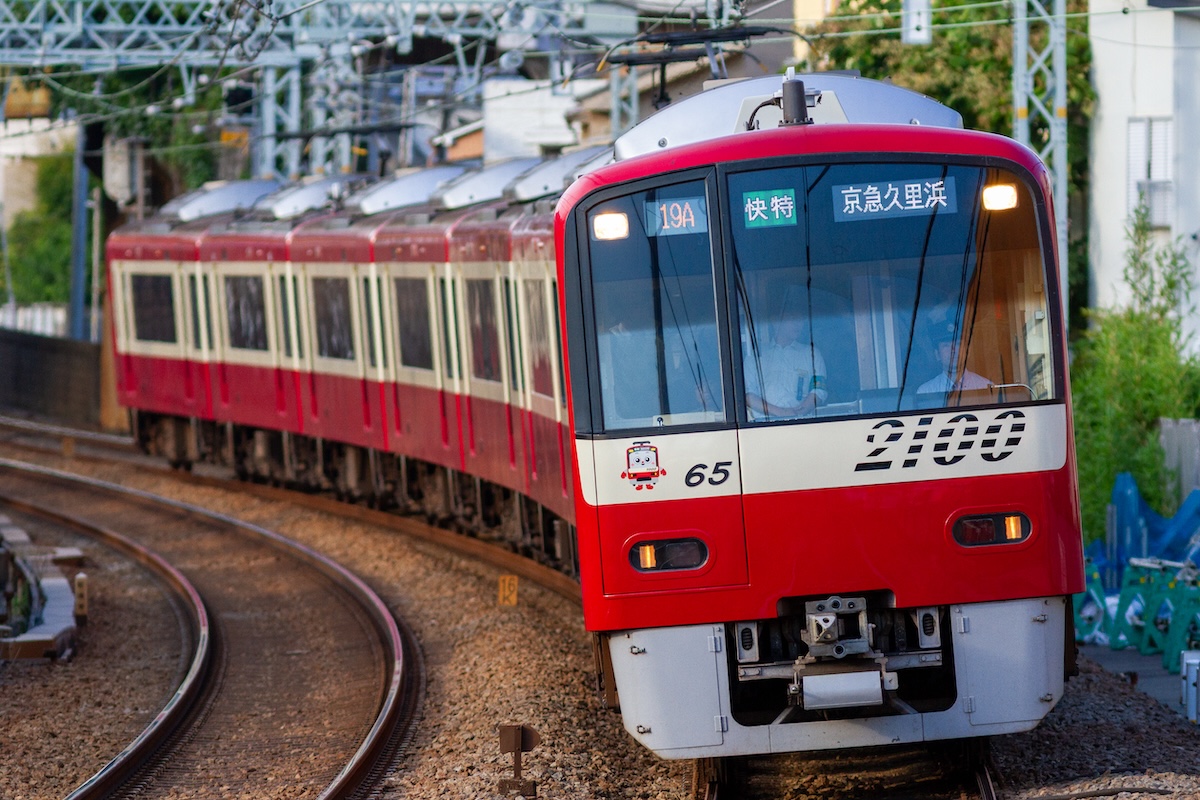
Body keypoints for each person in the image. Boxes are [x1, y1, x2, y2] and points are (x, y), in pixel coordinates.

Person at [744, 306, 827, 421]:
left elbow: (819, 390)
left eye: (800, 319)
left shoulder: (811, 354)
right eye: (792, 318)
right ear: (775, 321)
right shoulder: (756, 356)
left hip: (803, 424)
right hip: (763, 427)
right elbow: (748, 394)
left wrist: (798, 413)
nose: (798, 323)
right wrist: (780, 412)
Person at [917, 324, 991, 395]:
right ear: (937, 354)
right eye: (946, 345)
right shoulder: (926, 391)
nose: (953, 350)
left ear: (967, 351)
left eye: (958, 344)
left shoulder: (985, 386)